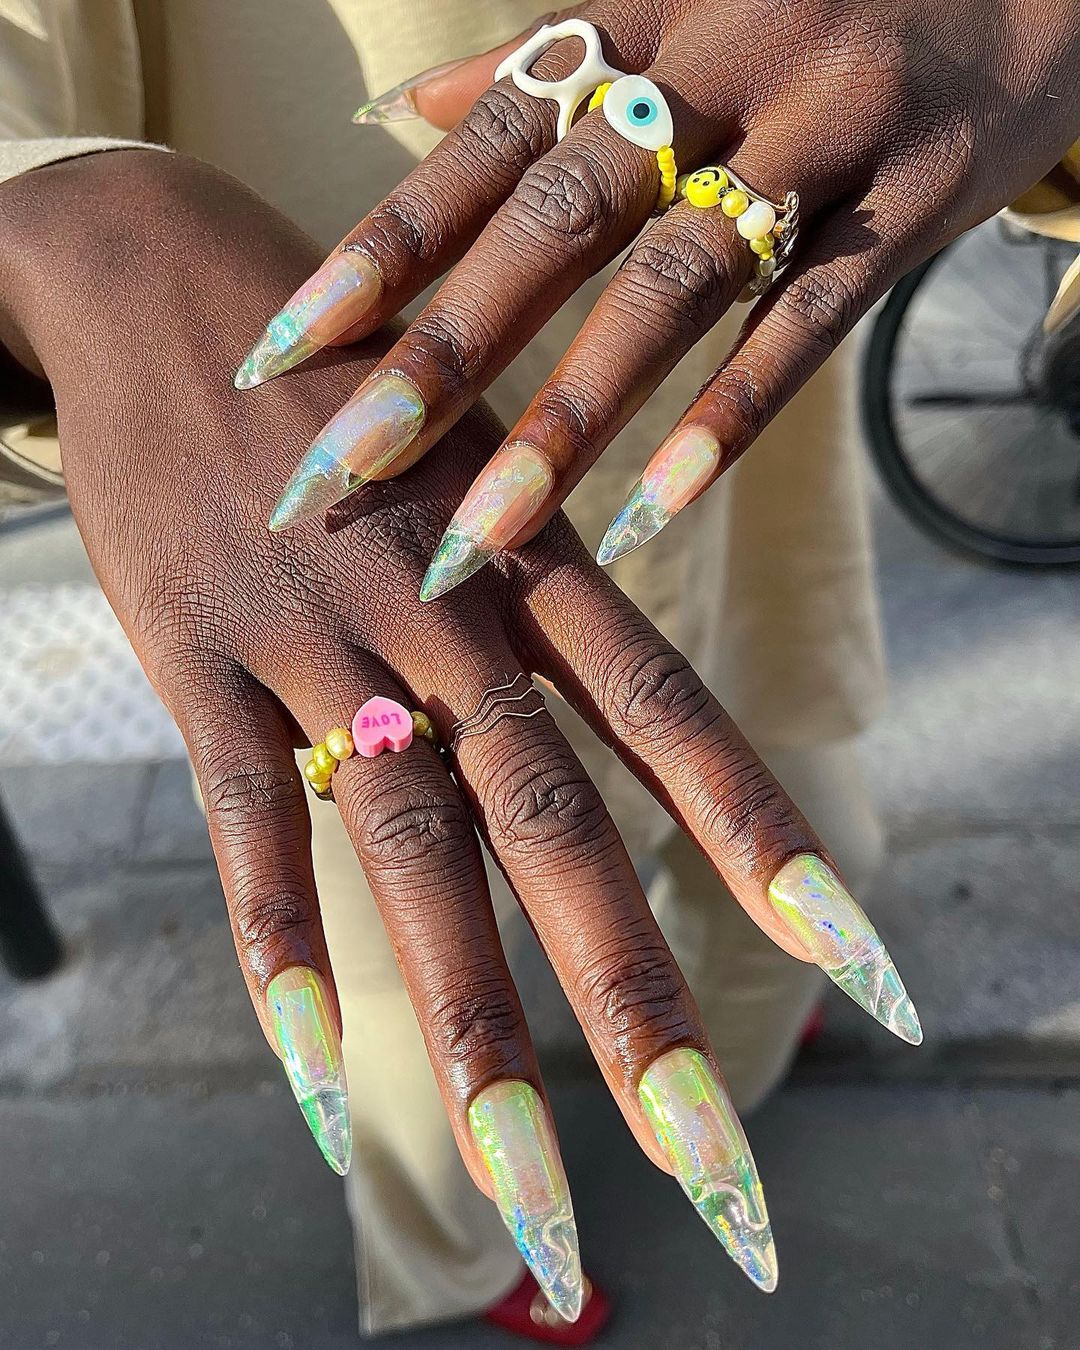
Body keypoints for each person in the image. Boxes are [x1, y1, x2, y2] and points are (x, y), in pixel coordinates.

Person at [1, 1, 1074, 1342]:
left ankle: (728, 1063)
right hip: (334, 525)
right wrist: (61, 224)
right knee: (417, 1002)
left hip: (736, 422)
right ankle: (457, 1263)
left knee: (811, 837)